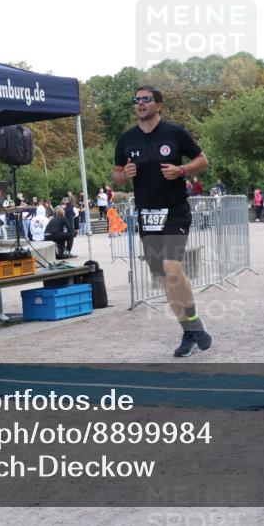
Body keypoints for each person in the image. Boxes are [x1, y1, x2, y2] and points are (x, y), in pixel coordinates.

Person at [113, 84, 212, 358]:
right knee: (165, 277)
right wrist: (124, 175)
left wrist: (181, 170)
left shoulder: (174, 132)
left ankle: (193, 322)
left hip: (175, 210)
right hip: (147, 215)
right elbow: (117, 175)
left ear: (159, 106)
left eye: (146, 99)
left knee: (172, 266)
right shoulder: (126, 139)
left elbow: (202, 160)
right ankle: (190, 331)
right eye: (137, 100)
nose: (140, 103)